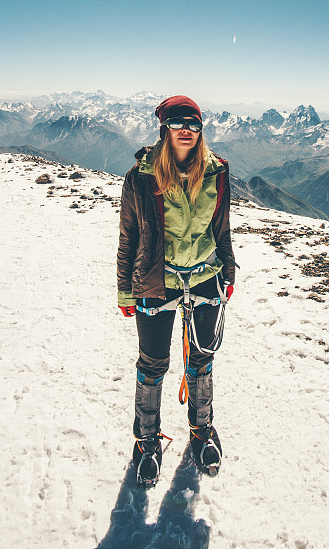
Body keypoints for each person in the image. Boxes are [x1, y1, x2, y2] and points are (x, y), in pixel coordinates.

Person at [116, 95, 236, 488]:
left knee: (201, 360)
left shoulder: (217, 172)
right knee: (152, 364)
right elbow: (129, 236)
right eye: (178, 122)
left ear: (202, 130)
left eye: (195, 123)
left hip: (206, 276)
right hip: (155, 279)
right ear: (164, 128)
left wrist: (229, 270)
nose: (187, 129)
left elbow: (221, 229)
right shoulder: (141, 176)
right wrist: (124, 291)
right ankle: (146, 440)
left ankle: (202, 431)